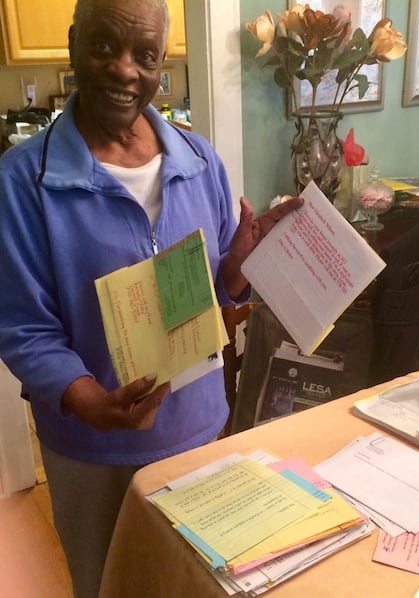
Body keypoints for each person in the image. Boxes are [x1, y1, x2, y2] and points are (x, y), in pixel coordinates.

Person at [0, 1, 301, 596]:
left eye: (145, 54)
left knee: (198, 583)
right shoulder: (22, 180)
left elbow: (209, 291)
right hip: (91, 449)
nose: (124, 70)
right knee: (111, 584)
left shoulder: (199, 160)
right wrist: (87, 401)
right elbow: (22, 325)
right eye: (104, 46)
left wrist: (236, 269)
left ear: (163, 61)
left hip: (196, 428)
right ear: (72, 41)